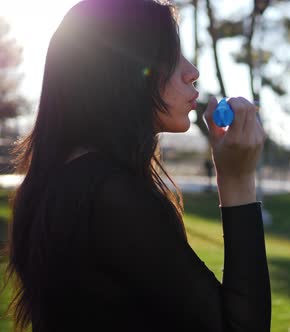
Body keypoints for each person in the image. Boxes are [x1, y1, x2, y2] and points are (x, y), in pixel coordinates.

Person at [2, 0, 270, 331]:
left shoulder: (59, 180)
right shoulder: (110, 197)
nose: (192, 72)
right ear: (122, 70)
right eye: (171, 55)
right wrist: (238, 180)